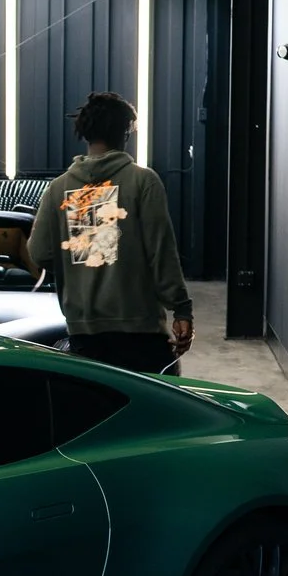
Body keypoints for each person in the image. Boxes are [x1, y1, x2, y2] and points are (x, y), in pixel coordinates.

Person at [28, 91, 195, 374]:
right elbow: (161, 252)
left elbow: (39, 253)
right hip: (140, 332)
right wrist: (181, 309)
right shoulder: (142, 181)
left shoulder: (61, 188)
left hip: (85, 333)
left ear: (86, 133)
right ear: (125, 133)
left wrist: (81, 268)